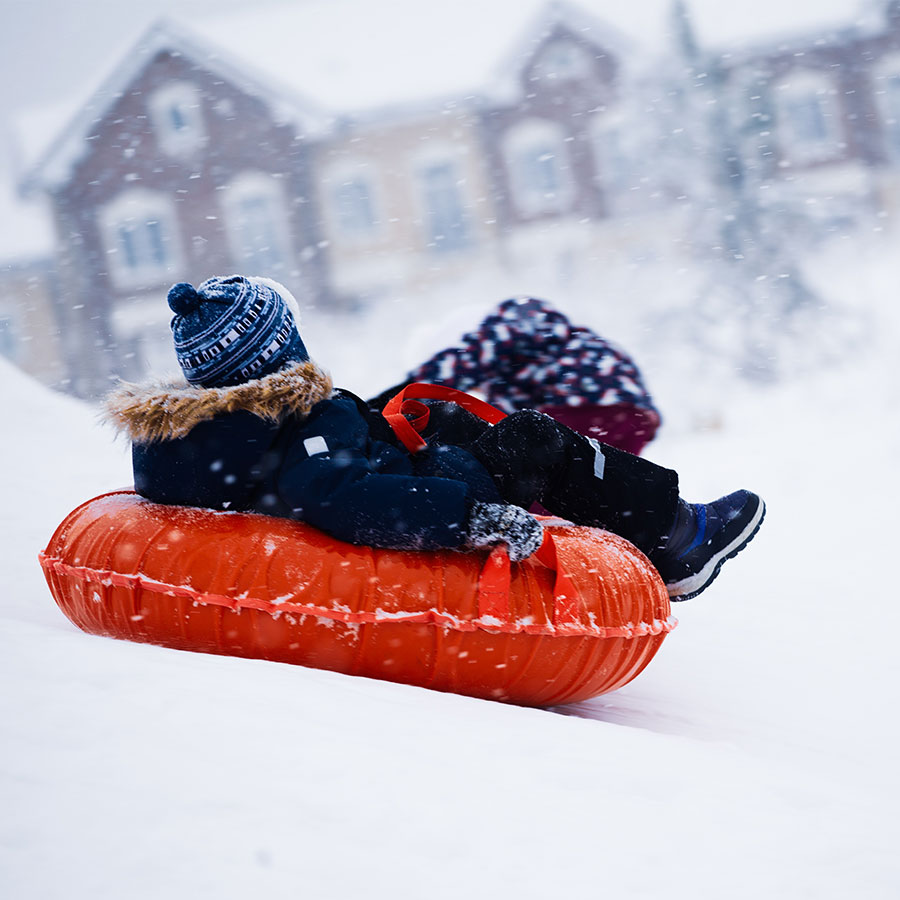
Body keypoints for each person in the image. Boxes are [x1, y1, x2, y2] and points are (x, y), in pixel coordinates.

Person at [104, 276, 765, 601]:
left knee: (444, 418)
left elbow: (316, 467)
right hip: (429, 492)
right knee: (533, 440)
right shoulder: (299, 418)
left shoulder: (220, 434)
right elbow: (336, 492)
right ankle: (679, 540)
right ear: (280, 348)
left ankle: (651, 531)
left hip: (401, 463)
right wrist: (471, 517)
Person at [368, 297, 660, 456]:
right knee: (601, 496)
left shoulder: (505, 325)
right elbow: (507, 426)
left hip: (583, 402)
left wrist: (388, 403)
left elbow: (454, 369)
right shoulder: (523, 365)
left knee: (545, 490)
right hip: (635, 417)